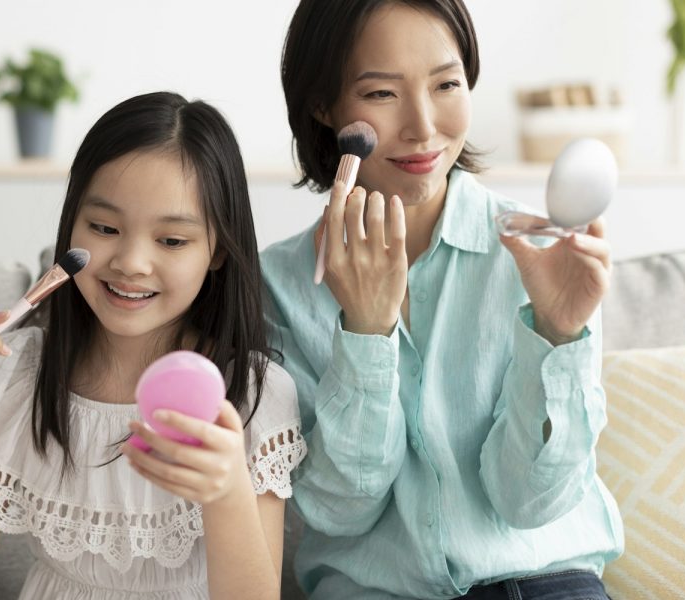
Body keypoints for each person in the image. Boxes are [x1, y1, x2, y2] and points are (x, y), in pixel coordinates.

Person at [262, 1, 624, 598]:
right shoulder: (280, 284)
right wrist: (366, 333)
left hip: (543, 583)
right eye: (381, 93)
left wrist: (558, 334)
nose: (423, 126)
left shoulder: (540, 257)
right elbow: (337, 509)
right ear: (324, 105)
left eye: (446, 84)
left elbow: (529, 501)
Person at [0, 91, 306, 600]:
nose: (131, 262)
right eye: (104, 228)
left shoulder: (253, 395)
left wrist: (225, 490)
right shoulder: (18, 377)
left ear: (217, 252)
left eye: (171, 240)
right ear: (72, 226)